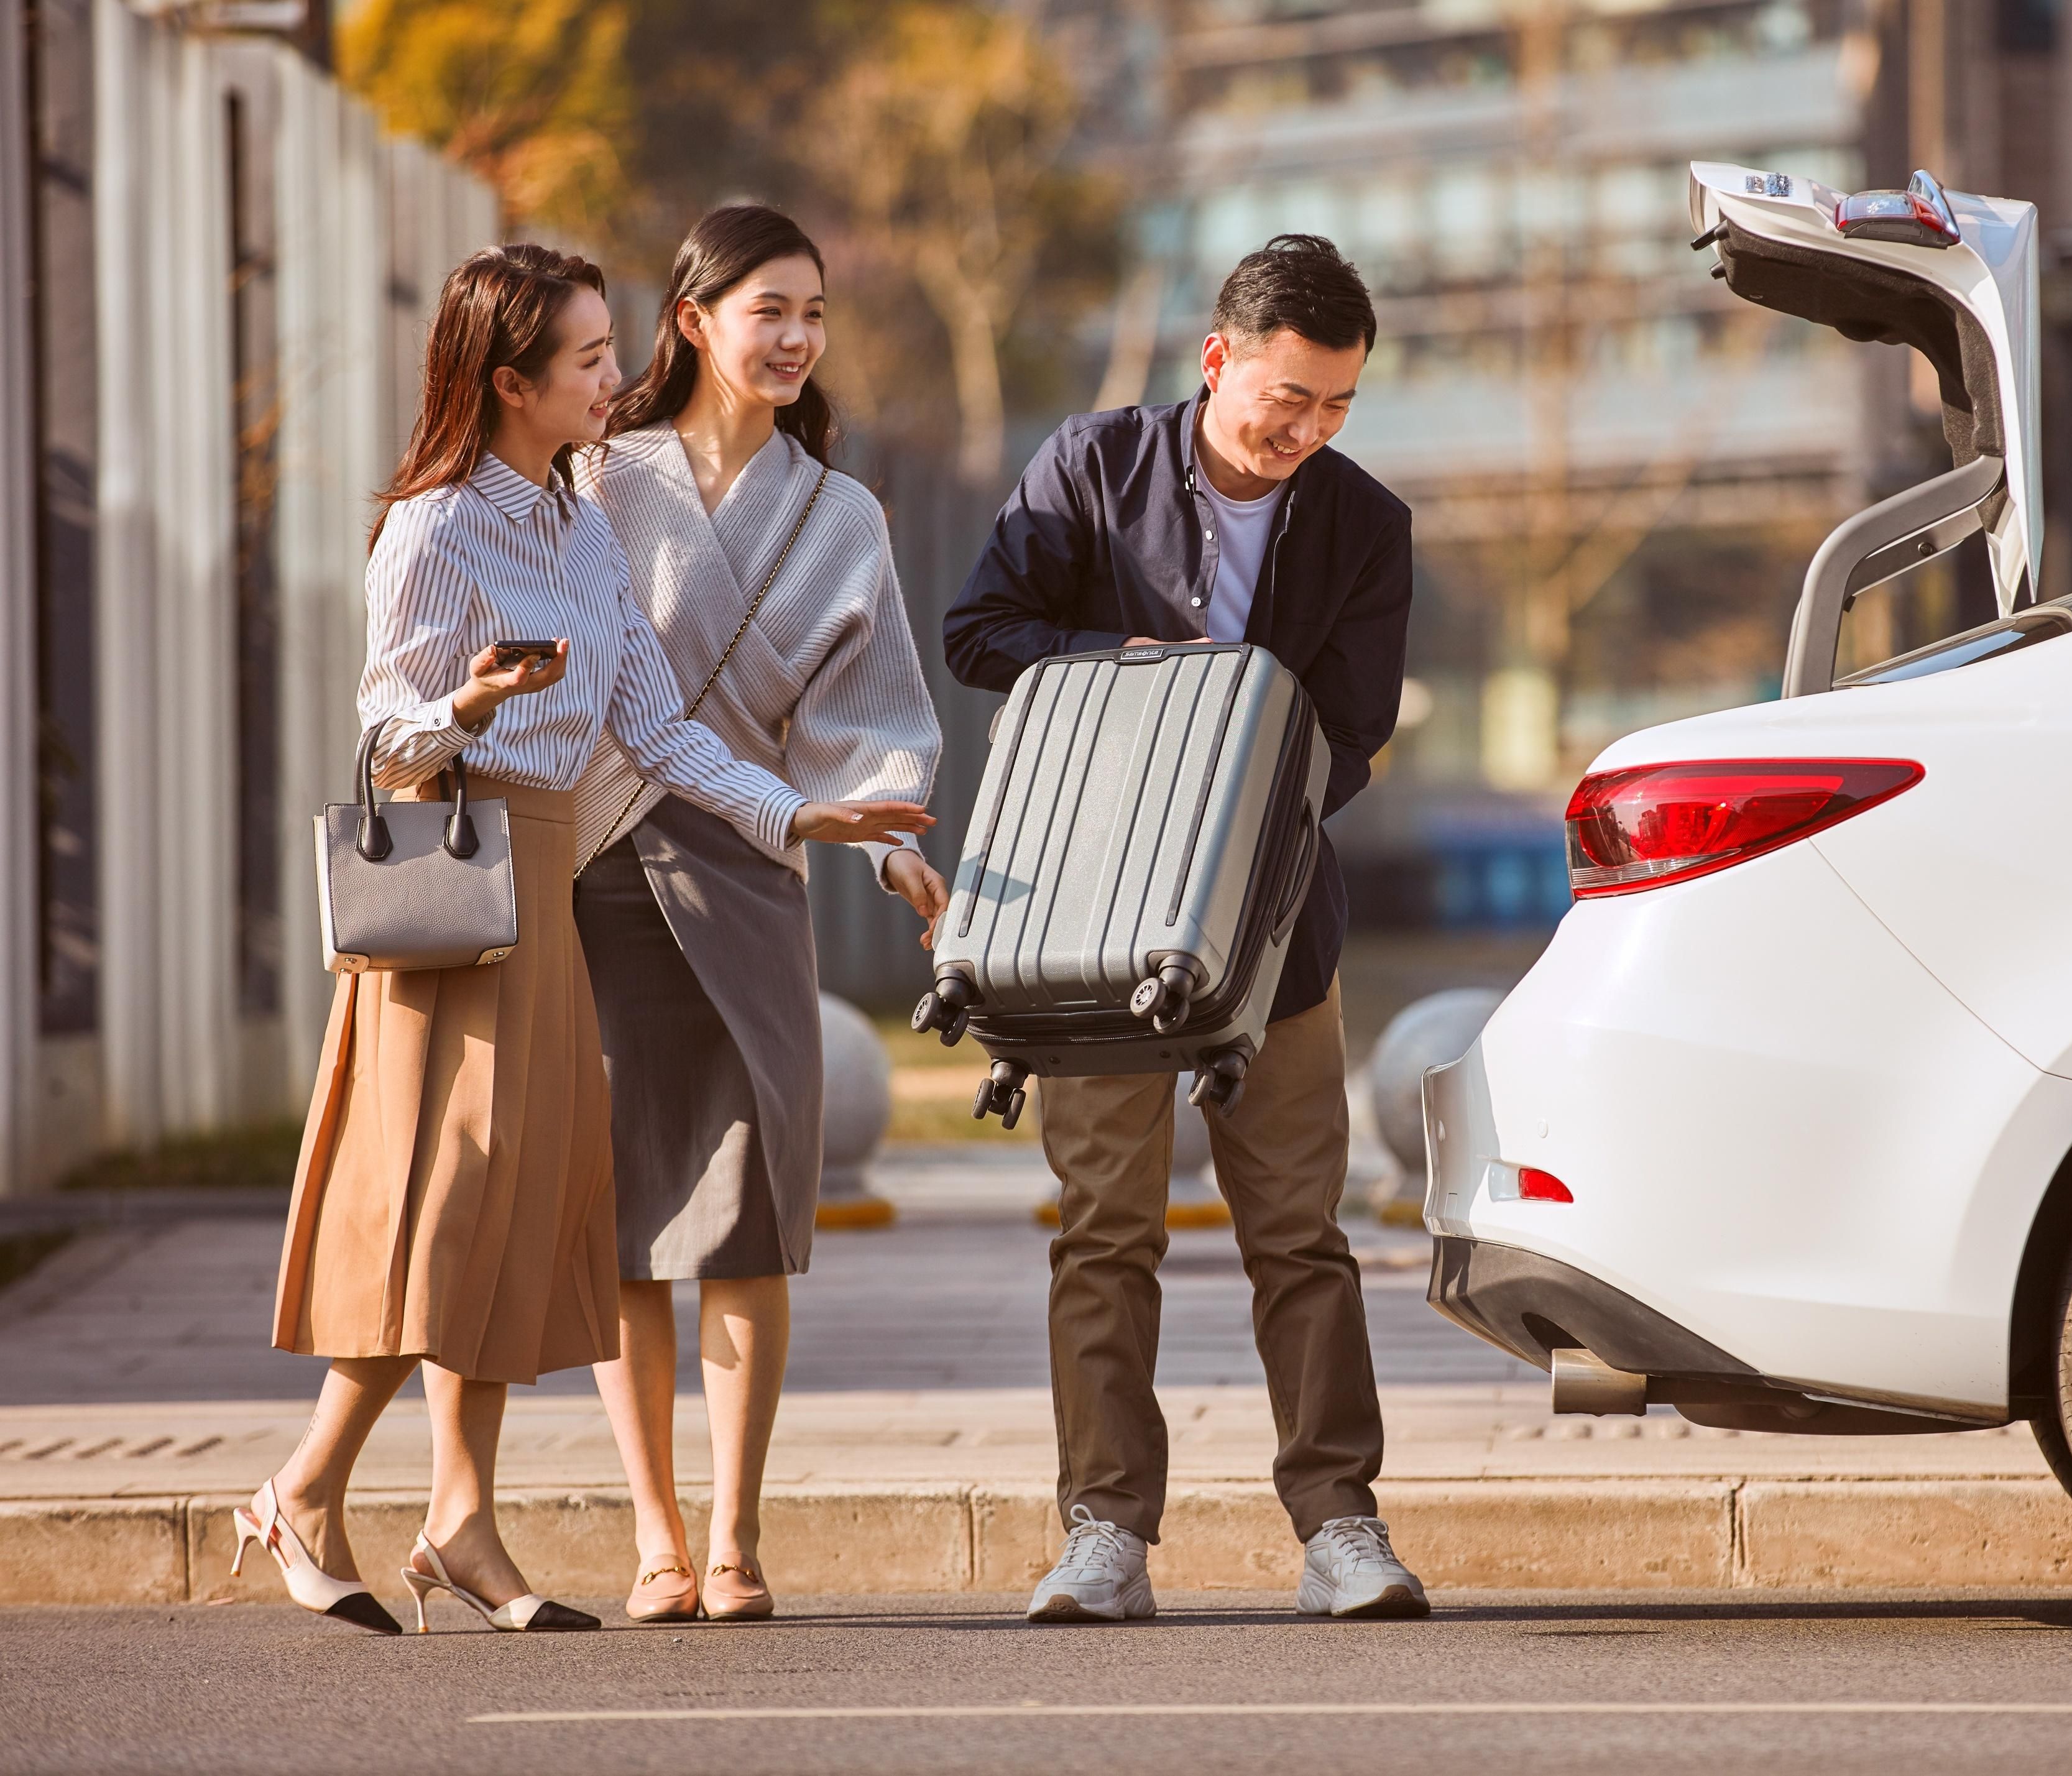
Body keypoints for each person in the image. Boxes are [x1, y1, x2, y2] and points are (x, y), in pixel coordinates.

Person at [250, 243, 921, 1636]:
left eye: (615, 352)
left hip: (545, 893)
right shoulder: (432, 527)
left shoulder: (583, 527)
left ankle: (460, 1520)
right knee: (445, 1216)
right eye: (588, 361)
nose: (617, 381)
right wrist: (476, 705)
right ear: (511, 382)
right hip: (457, 888)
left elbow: (663, 730)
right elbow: (385, 734)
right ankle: (307, 1489)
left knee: (508, 1221)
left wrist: (807, 821)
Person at [945, 233, 1424, 1623]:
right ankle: (1104, 1533)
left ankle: (1339, 1523)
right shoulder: (1089, 469)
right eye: (1288, 396)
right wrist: (1137, 680)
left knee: (1301, 1233)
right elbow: (983, 631)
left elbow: (1352, 738)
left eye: (1336, 405)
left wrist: (1236, 806)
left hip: (1274, 927)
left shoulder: (1364, 524)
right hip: (1089, 915)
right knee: (1102, 1230)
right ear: (1216, 360)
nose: (1307, 431)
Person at [578, 205, 945, 1624]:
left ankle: (734, 1537)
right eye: (766, 310)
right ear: (690, 321)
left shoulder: (840, 513)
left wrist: (892, 846)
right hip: (602, 869)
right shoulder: (597, 481)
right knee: (625, 1221)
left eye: (812, 312)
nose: (794, 337)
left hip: (752, 877)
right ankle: (655, 1538)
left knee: (742, 1212)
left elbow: (872, 722)